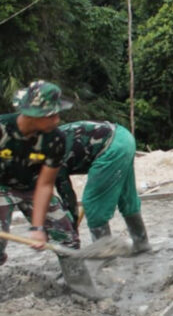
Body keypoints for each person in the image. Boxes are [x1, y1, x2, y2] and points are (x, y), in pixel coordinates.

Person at [0, 80, 99, 298]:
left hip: (32, 188)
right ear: (33, 114)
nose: (57, 120)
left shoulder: (55, 139)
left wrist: (37, 228)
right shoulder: (1, 129)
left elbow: (45, 184)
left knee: (67, 237)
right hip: (1, 187)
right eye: (51, 115)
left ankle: (82, 291)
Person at [55, 121, 151, 253]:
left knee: (93, 204)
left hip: (111, 147)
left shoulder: (49, 157)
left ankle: (106, 257)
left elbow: (69, 199)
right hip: (123, 137)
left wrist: (72, 233)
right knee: (126, 196)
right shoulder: (45, 141)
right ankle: (142, 244)